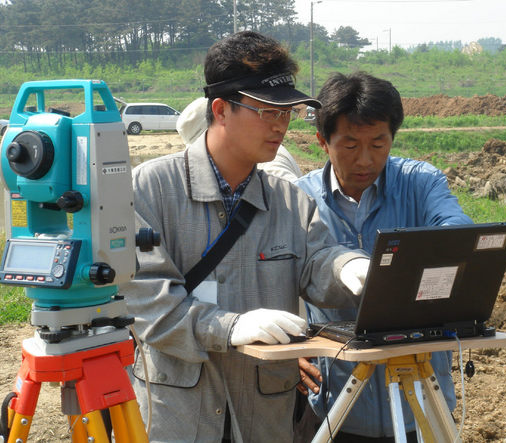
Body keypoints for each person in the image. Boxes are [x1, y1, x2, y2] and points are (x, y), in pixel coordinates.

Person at [122, 31, 370, 443]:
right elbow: (146, 301)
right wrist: (228, 326)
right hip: (179, 415)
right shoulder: (150, 189)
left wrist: (348, 266)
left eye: (287, 113)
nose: (280, 125)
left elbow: (317, 261)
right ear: (221, 109)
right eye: (268, 111)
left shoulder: (290, 201)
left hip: (262, 416)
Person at [293, 71, 473, 442]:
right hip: (336, 402)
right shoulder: (298, 199)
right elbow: (276, 277)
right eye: (349, 145)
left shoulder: (421, 183)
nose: (365, 160)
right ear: (323, 142)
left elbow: (456, 230)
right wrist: (287, 352)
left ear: (392, 138)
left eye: (378, 144)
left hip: (421, 401)